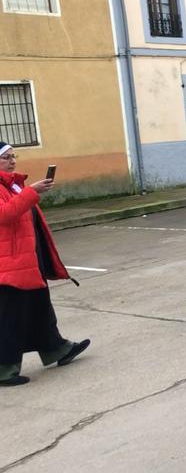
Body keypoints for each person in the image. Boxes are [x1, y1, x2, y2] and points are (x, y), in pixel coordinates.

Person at [0, 142, 90, 386]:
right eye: (6, 157)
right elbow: (5, 215)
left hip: (28, 259)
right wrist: (32, 192)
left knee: (40, 309)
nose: (12, 161)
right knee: (10, 318)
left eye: (13, 156)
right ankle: (4, 370)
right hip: (8, 266)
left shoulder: (14, 184)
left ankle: (56, 350)